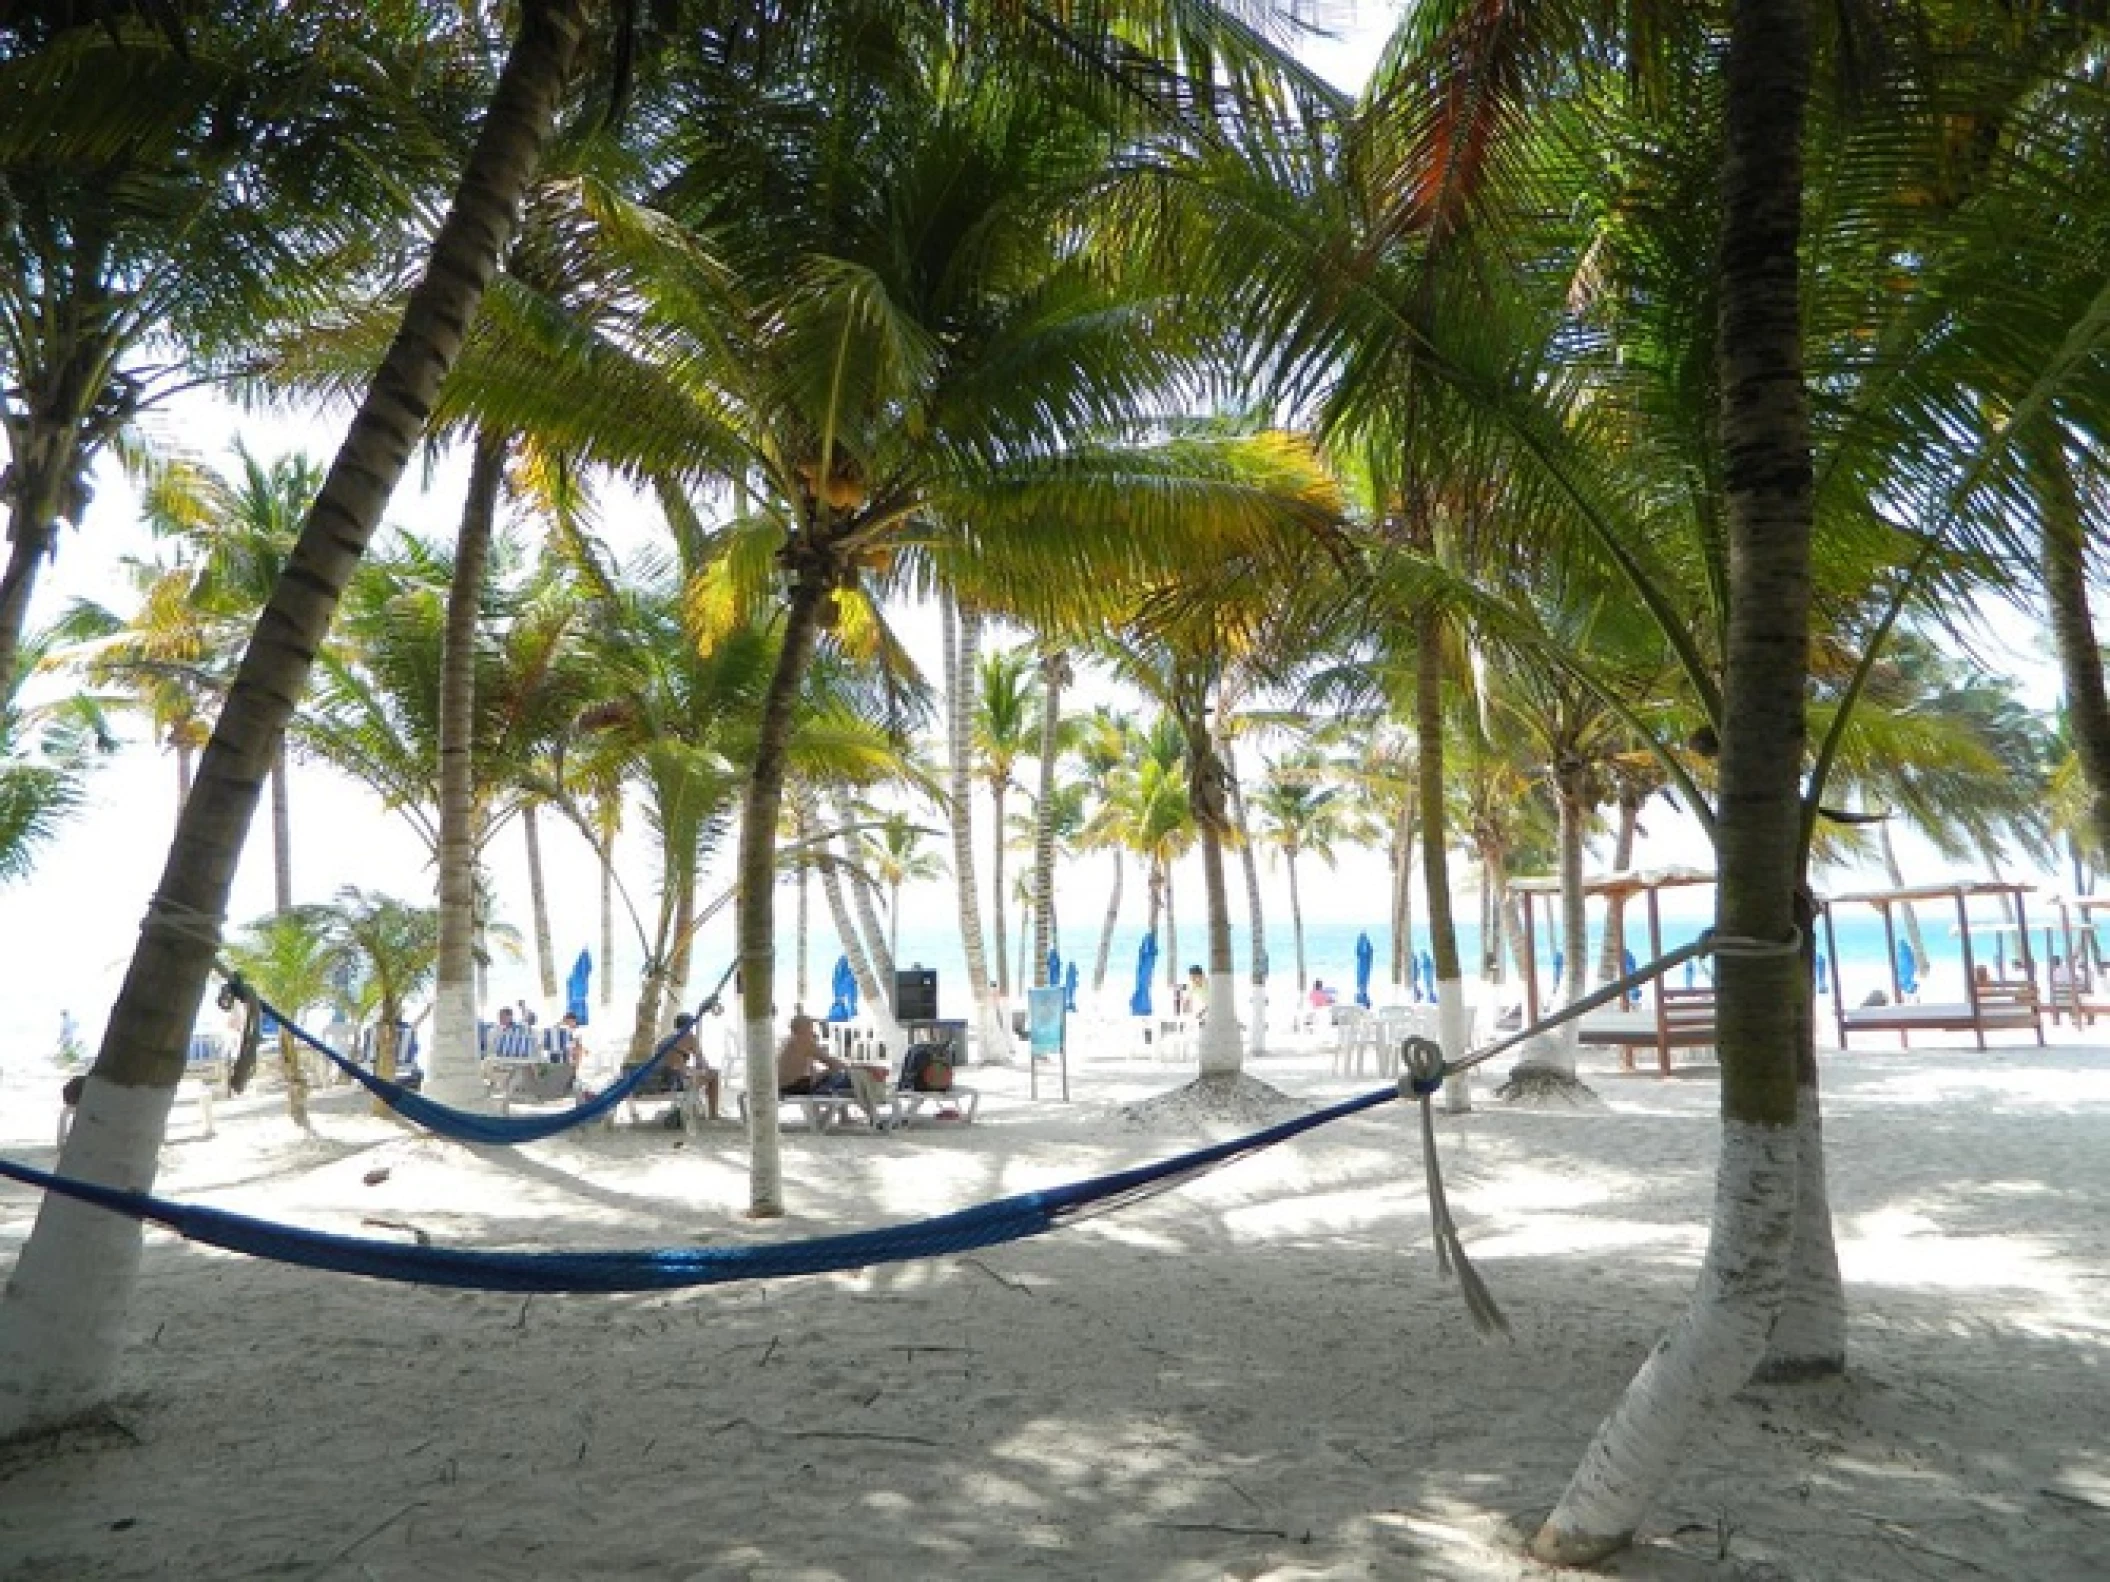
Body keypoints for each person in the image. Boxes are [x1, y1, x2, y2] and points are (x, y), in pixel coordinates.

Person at [778, 1013, 888, 1122]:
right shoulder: (803, 1041)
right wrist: (865, 1067)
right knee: (852, 1077)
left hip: (784, 1087)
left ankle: (846, 1116)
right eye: (811, 1027)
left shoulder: (787, 1042)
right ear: (804, 1028)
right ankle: (873, 1116)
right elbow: (834, 1063)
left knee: (838, 1077)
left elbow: (807, 1073)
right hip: (796, 1087)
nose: (813, 1031)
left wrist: (825, 1072)